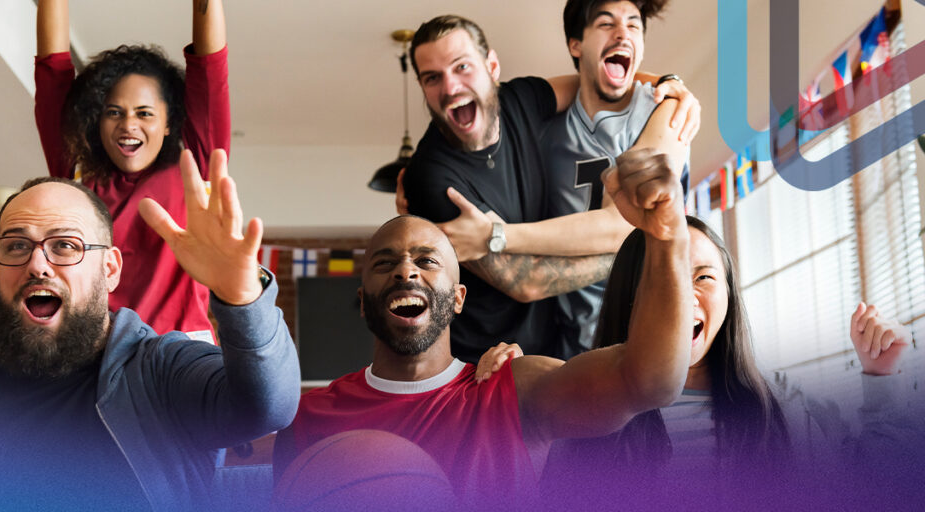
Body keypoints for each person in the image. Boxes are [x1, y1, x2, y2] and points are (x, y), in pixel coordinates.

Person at [273, 148, 694, 511]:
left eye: (427, 261)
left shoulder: (513, 389)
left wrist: (667, 238)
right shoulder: (309, 415)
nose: (406, 271)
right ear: (364, 303)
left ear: (458, 298)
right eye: (385, 263)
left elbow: (648, 382)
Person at [0, 149, 300, 511]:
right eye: (16, 246)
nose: (37, 264)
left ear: (109, 269)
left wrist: (242, 297)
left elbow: (267, 406)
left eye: (65, 246)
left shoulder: (161, 370)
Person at [477, 213, 917, 510]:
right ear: (627, 298)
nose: (682, 298)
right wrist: (511, 399)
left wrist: (881, 376)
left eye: (704, 277)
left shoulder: (786, 404)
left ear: (728, 296)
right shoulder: (580, 406)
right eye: (659, 280)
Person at [399, 14, 696, 361]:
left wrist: (667, 84)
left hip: (554, 349)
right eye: (433, 78)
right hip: (482, 364)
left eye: (462, 67)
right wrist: (634, 248)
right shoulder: (432, 176)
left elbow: (596, 81)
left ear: (492, 67)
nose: (450, 88)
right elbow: (529, 281)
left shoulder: (519, 99)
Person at [34, 0, 229, 340]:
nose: (128, 125)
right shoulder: (76, 170)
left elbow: (210, 67)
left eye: (144, 113)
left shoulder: (196, 166)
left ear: (170, 122)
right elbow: (52, 72)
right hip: (96, 351)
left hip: (181, 349)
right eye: (113, 112)